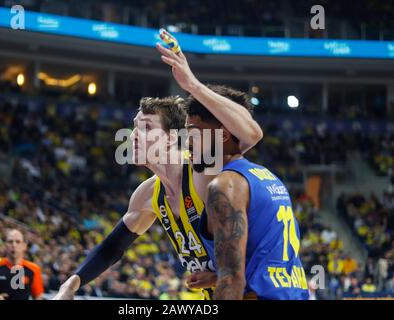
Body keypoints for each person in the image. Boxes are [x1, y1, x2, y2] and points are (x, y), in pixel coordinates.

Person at [53, 31, 263, 300]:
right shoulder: (148, 195)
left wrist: (193, 86)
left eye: (146, 127)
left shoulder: (204, 171)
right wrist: (69, 285)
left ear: (173, 138)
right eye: (134, 128)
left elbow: (250, 135)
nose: (133, 135)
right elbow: (110, 249)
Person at [181, 86, 310, 299]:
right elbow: (267, 260)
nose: (188, 142)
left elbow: (232, 278)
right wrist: (215, 277)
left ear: (223, 135)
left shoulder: (224, 186)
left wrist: (222, 279)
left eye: (193, 131)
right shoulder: (267, 177)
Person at [0, 229, 44, 300]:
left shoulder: (33, 269)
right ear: (5, 245)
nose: (13, 245)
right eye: (10, 242)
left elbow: (38, 296)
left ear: (24, 246)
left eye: (18, 242)